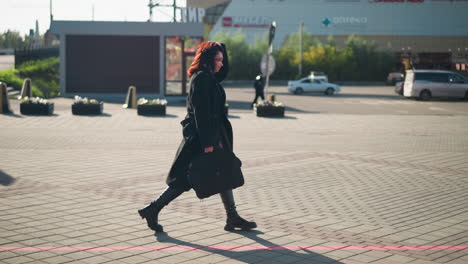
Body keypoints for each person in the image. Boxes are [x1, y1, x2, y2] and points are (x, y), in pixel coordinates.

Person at [138, 41, 257, 233]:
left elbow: (224, 70)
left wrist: (221, 47)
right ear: (208, 60)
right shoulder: (201, 79)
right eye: (217, 59)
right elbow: (201, 112)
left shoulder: (209, 76)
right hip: (202, 139)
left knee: (223, 172)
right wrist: (209, 143)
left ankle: (232, 217)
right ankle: (153, 209)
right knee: (183, 181)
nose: (221, 63)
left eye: (221, 59)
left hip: (211, 136)